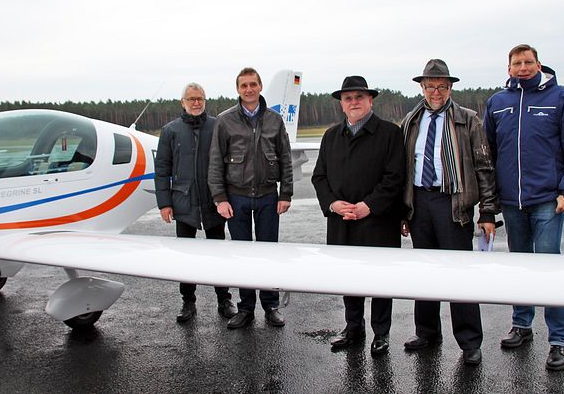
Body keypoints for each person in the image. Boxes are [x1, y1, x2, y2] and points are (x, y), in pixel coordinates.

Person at [484, 44, 564, 371]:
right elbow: (487, 153)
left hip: (547, 201)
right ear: (509, 68)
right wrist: (490, 201)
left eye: (528, 62)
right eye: (517, 63)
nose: (523, 67)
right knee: (520, 266)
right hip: (512, 203)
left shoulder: (560, 99)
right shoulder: (497, 103)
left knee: (548, 268)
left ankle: (559, 340)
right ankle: (522, 325)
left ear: (539, 64)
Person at [400, 59, 499, 366]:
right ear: (422, 87)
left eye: (442, 86)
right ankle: (427, 332)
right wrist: (403, 212)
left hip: (453, 203)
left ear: (450, 87)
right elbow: (403, 169)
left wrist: (487, 213)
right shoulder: (411, 120)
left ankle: (470, 341)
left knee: (460, 274)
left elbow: (484, 167)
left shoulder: (468, 120)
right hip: (420, 203)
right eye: (431, 86)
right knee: (425, 272)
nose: (436, 92)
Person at [311, 75, 405, 356]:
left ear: (370, 100)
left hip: (378, 221)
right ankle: (353, 327)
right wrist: (333, 204)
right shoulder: (330, 136)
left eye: (359, 97)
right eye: (348, 98)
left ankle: (381, 332)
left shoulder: (390, 133)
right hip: (342, 221)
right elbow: (319, 177)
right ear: (341, 104)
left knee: (380, 278)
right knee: (347, 276)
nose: (354, 102)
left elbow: (395, 177)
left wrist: (369, 205)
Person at [208, 67, 293, 329]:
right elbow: (215, 162)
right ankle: (246, 308)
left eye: (252, 84)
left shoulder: (274, 119)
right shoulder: (225, 120)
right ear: (238, 89)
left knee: (269, 252)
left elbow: (285, 158)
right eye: (243, 85)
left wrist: (286, 193)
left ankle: (271, 306)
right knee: (242, 255)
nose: (248, 89)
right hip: (237, 197)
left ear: (260, 86)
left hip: (268, 195)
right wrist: (220, 198)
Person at [154, 83, 237, 323]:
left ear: (205, 100)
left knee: (218, 252)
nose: (196, 103)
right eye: (191, 99)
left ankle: (224, 299)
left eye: (199, 98)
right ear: (183, 102)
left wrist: (225, 197)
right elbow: (162, 169)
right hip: (183, 202)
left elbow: (227, 162)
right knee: (185, 256)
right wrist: (164, 203)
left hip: (212, 202)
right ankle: (188, 302)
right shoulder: (170, 131)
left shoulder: (216, 126)